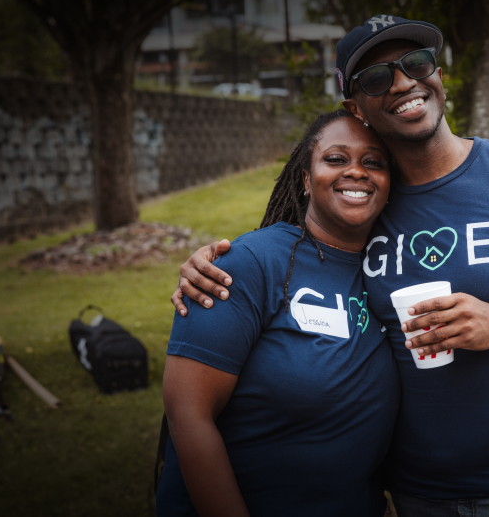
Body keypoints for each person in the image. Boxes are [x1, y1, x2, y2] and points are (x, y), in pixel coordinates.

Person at [172, 15, 489, 516]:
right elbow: (292, 258)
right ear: (356, 108)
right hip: (416, 496)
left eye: (417, 63)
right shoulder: (364, 210)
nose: (404, 82)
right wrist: (213, 265)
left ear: (439, 74)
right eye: (376, 77)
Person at [156, 110, 399, 516]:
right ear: (306, 179)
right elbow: (188, 416)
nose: (356, 171)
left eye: (373, 162)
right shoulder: (248, 264)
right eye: (336, 159)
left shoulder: (390, 268)